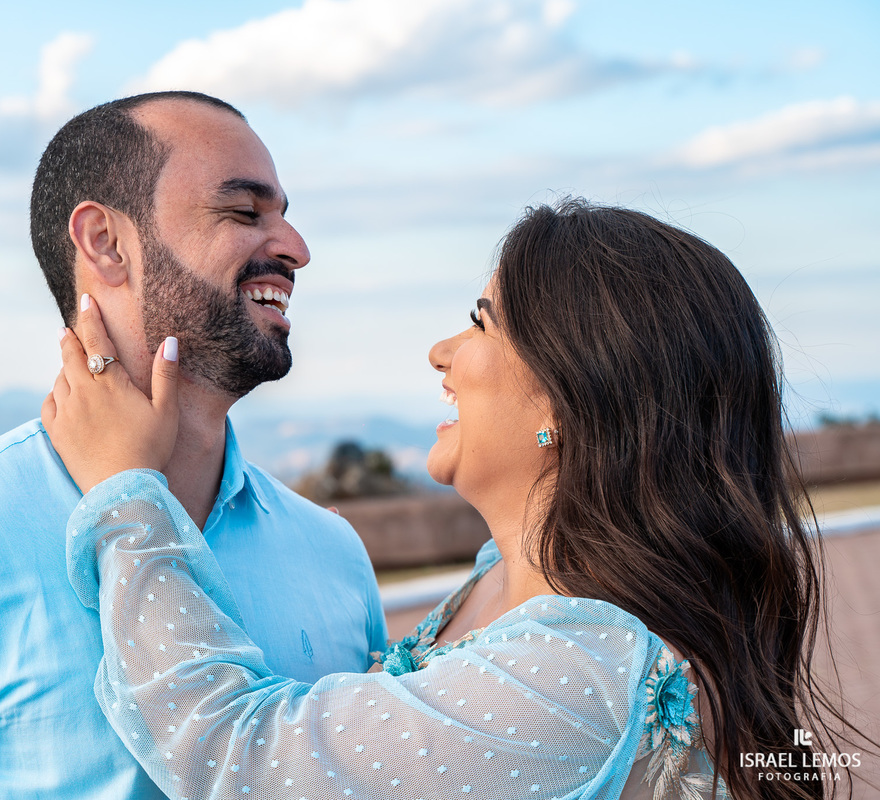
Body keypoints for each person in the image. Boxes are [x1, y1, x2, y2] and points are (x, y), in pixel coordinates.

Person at [45, 199, 858, 800]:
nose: (442, 351)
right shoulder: (506, 582)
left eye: (481, 322)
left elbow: (243, 755)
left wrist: (126, 493)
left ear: (563, 403)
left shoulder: (581, 672)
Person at [0, 92, 386, 799]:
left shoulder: (332, 555)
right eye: (245, 213)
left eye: (284, 215)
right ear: (105, 244)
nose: (295, 248)